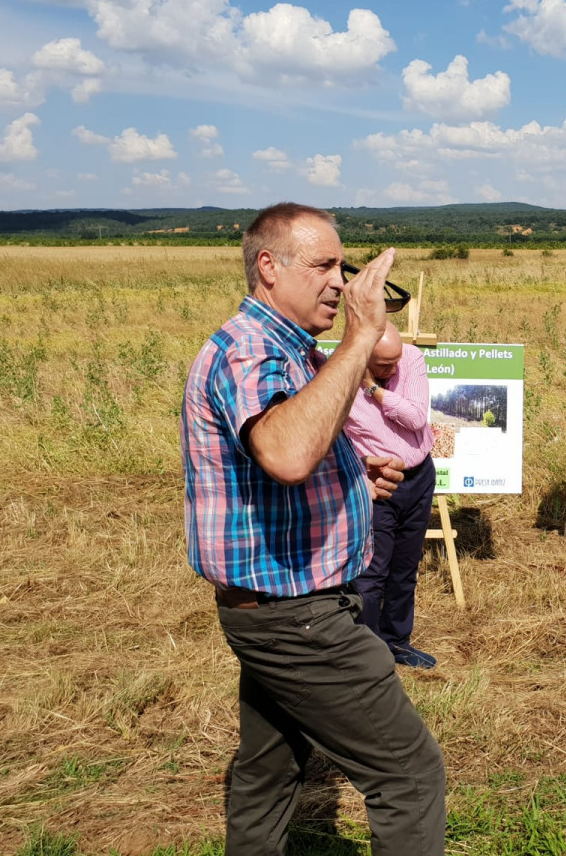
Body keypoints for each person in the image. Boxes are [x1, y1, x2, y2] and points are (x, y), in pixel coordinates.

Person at [180, 203, 445, 856]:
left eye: (343, 265)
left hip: (285, 607)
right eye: (324, 265)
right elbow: (286, 452)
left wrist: (356, 474)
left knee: (269, 775)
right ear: (268, 267)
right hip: (297, 617)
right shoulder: (252, 349)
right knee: (409, 774)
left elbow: (288, 455)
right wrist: (359, 339)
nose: (338, 280)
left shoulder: (290, 349)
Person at [343, 321, 438, 669]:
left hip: (419, 476)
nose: (393, 367)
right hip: (378, 483)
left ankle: (397, 641)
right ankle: (367, 653)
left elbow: (415, 418)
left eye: (395, 359)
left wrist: (374, 390)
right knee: (372, 570)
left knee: (405, 566)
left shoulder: (409, 358)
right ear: (362, 354)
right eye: (384, 363)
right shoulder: (339, 376)